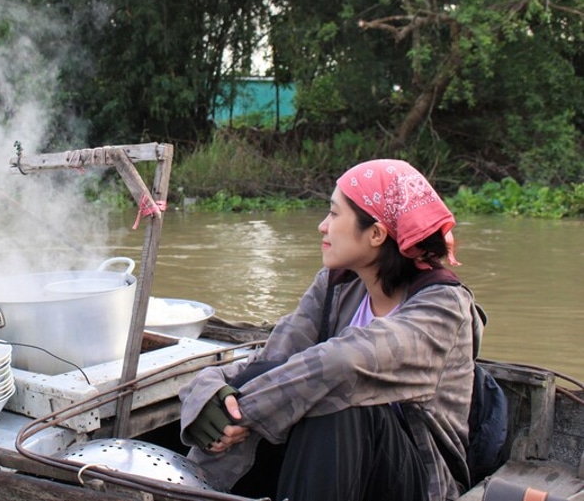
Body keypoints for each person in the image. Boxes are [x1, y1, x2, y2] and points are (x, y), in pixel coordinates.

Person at [179, 159, 484, 501]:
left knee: (340, 400)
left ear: (376, 233)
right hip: (334, 466)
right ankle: (195, 491)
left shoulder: (443, 307)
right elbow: (271, 361)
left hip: (418, 480)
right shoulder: (336, 285)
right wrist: (210, 389)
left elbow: (345, 363)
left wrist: (243, 412)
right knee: (280, 380)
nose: (322, 227)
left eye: (335, 214)